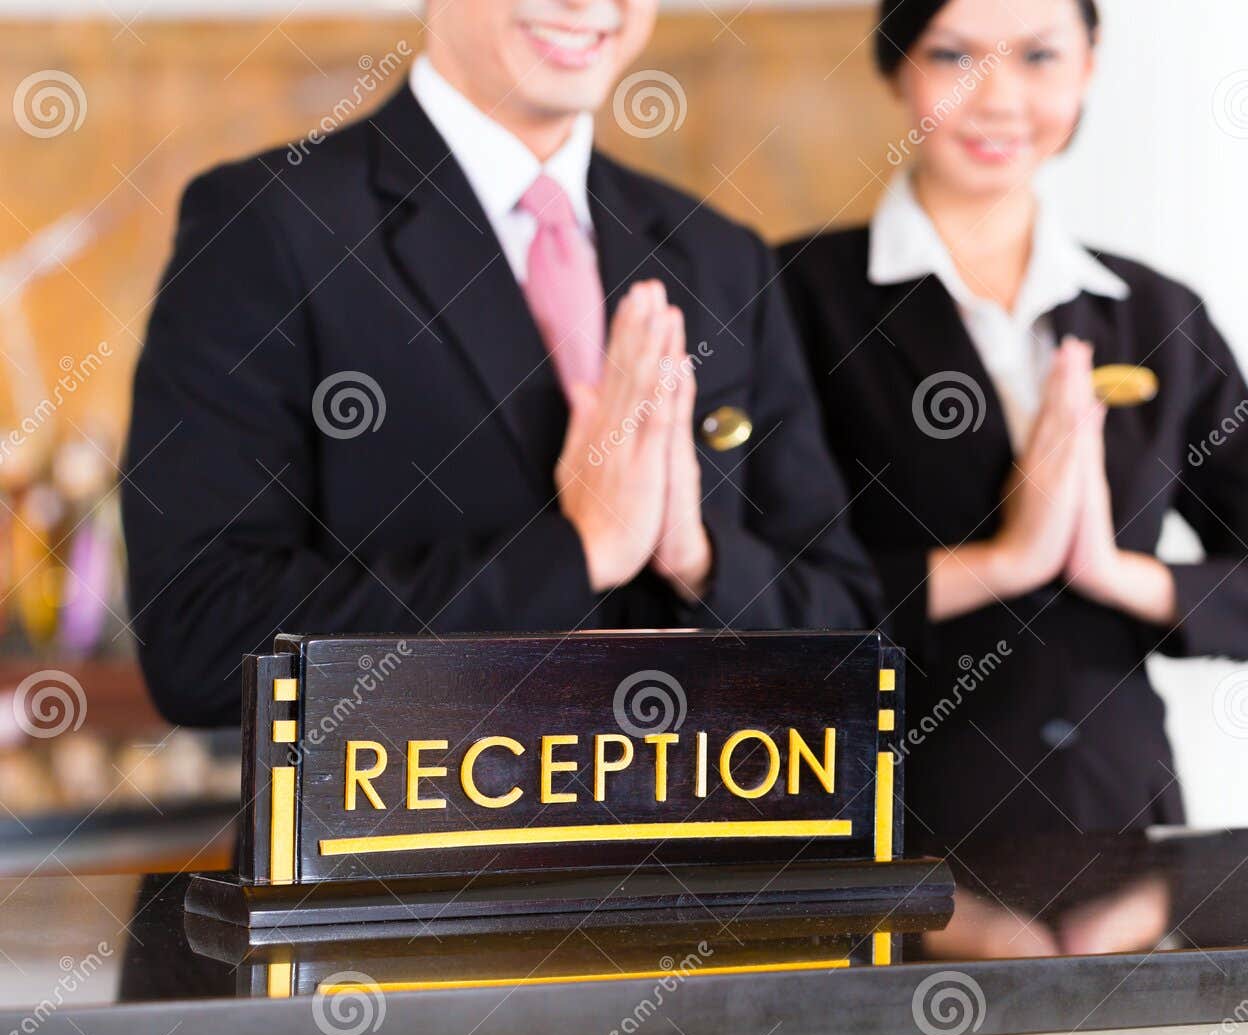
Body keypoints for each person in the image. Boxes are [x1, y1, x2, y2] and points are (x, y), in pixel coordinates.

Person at [123, 0, 877, 727]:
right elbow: (203, 640)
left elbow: (853, 630)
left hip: (697, 848)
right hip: (408, 850)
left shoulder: (720, 257)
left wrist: (699, 558)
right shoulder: (272, 225)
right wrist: (576, 554)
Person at [779, 0, 1248, 849]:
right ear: (897, 66)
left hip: (1120, 834)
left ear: (1089, 67)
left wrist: (1112, 571)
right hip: (878, 835)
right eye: (954, 55)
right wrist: (999, 563)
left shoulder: (1158, 314)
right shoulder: (788, 295)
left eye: (1040, 57)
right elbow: (749, 603)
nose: (998, 97)